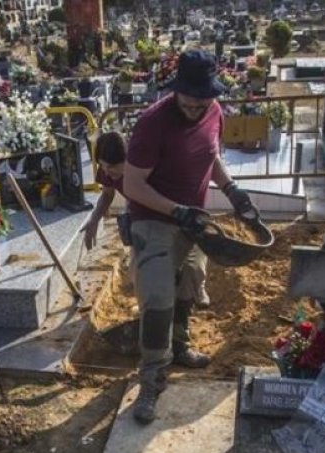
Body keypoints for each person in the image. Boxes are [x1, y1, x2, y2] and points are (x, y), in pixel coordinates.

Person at [121, 50, 257, 424]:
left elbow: (209, 155)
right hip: (153, 219)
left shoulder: (214, 112)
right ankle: (152, 378)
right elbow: (132, 185)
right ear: (176, 89)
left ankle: (179, 345)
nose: (197, 107)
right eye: (189, 100)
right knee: (158, 297)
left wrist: (231, 189)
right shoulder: (153, 124)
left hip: (192, 219)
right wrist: (176, 210)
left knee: (190, 283)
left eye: (203, 100)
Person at [82, 131, 210, 309]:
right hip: (140, 216)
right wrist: (94, 219)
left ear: (129, 160)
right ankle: (149, 308)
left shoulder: (150, 168)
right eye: (102, 167)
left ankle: (195, 290)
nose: (107, 172)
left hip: (172, 211)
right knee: (141, 268)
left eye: (111, 167)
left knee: (189, 263)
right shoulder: (109, 172)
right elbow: (107, 193)